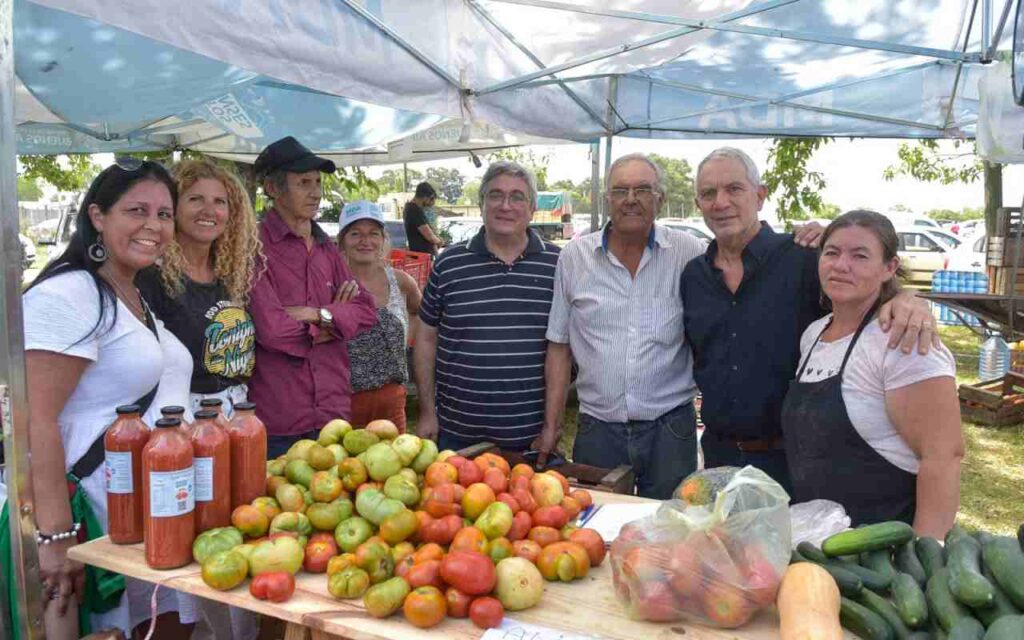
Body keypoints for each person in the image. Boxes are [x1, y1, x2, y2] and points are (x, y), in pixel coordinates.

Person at [12, 160, 196, 639]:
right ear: (97, 216)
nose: (153, 226)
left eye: (163, 214)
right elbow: (38, 421)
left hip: (134, 514)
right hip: (86, 517)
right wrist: (55, 540)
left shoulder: (130, 291)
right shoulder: (69, 295)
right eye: (136, 210)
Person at [682, 147, 939, 491]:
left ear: (760, 196)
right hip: (718, 455)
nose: (720, 202)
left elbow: (863, 289)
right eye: (708, 193)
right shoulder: (693, 277)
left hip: (794, 462)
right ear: (698, 203)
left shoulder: (805, 259)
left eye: (734, 189)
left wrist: (909, 300)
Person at [782, 210, 962, 535]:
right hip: (818, 544)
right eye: (832, 252)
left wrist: (925, 554)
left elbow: (943, 457)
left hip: (883, 553)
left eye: (860, 255)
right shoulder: (813, 334)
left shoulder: (902, 340)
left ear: (889, 267)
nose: (840, 265)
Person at [540, 154, 705, 499]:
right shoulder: (575, 257)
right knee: (598, 530)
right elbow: (559, 345)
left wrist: (810, 240)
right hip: (598, 429)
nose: (631, 199)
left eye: (643, 190)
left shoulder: (688, 252)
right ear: (607, 200)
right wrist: (552, 426)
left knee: (671, 531)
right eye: (620, 190)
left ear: (660, 198)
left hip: (670, 429)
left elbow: (737, 259)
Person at [414, 161, 560, 451]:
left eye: (517, 197)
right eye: (495, 195)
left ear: (532, 208)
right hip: (456, 434)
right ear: (481, 204)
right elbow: (426, 339)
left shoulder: (559, 265)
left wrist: (552, 427)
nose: (505, 205)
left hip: (529, 439)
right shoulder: (448, 264)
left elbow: (562, 350)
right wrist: (428, 412)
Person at [248, 137, 378, 459]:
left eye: (318, 182)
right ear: (273, 189)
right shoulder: (254, 246)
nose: (316, 192)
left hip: (333, 411)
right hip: (281, 417)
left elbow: (367, 311)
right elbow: (273, 331)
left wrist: (315, 314)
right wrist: (337, 318)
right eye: (304, 183)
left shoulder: (326, 247)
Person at [137, 158, 262, 417]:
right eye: (195, 199)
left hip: (238, 408)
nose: (209, 210)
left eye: (220, 202)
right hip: (180, 414)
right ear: (173, 208)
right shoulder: (151, 277)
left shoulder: (232, 275)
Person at [337, 201, 422, 432]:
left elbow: (419, 313)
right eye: (355, 233)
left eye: (373, 234)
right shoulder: (331, 283)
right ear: (342, 240)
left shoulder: (400, 282)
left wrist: (405, 341)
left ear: (383, 239)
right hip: (341, 404)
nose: (365, 241)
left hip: (392, 402)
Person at [403, 182, 444, 255]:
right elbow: (429, 235)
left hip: (423, 255)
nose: (431, 203)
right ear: (425, 197)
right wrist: (439, 242)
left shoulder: (413, 208)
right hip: (423, 256)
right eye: (431, 199)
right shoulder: (414, 210)